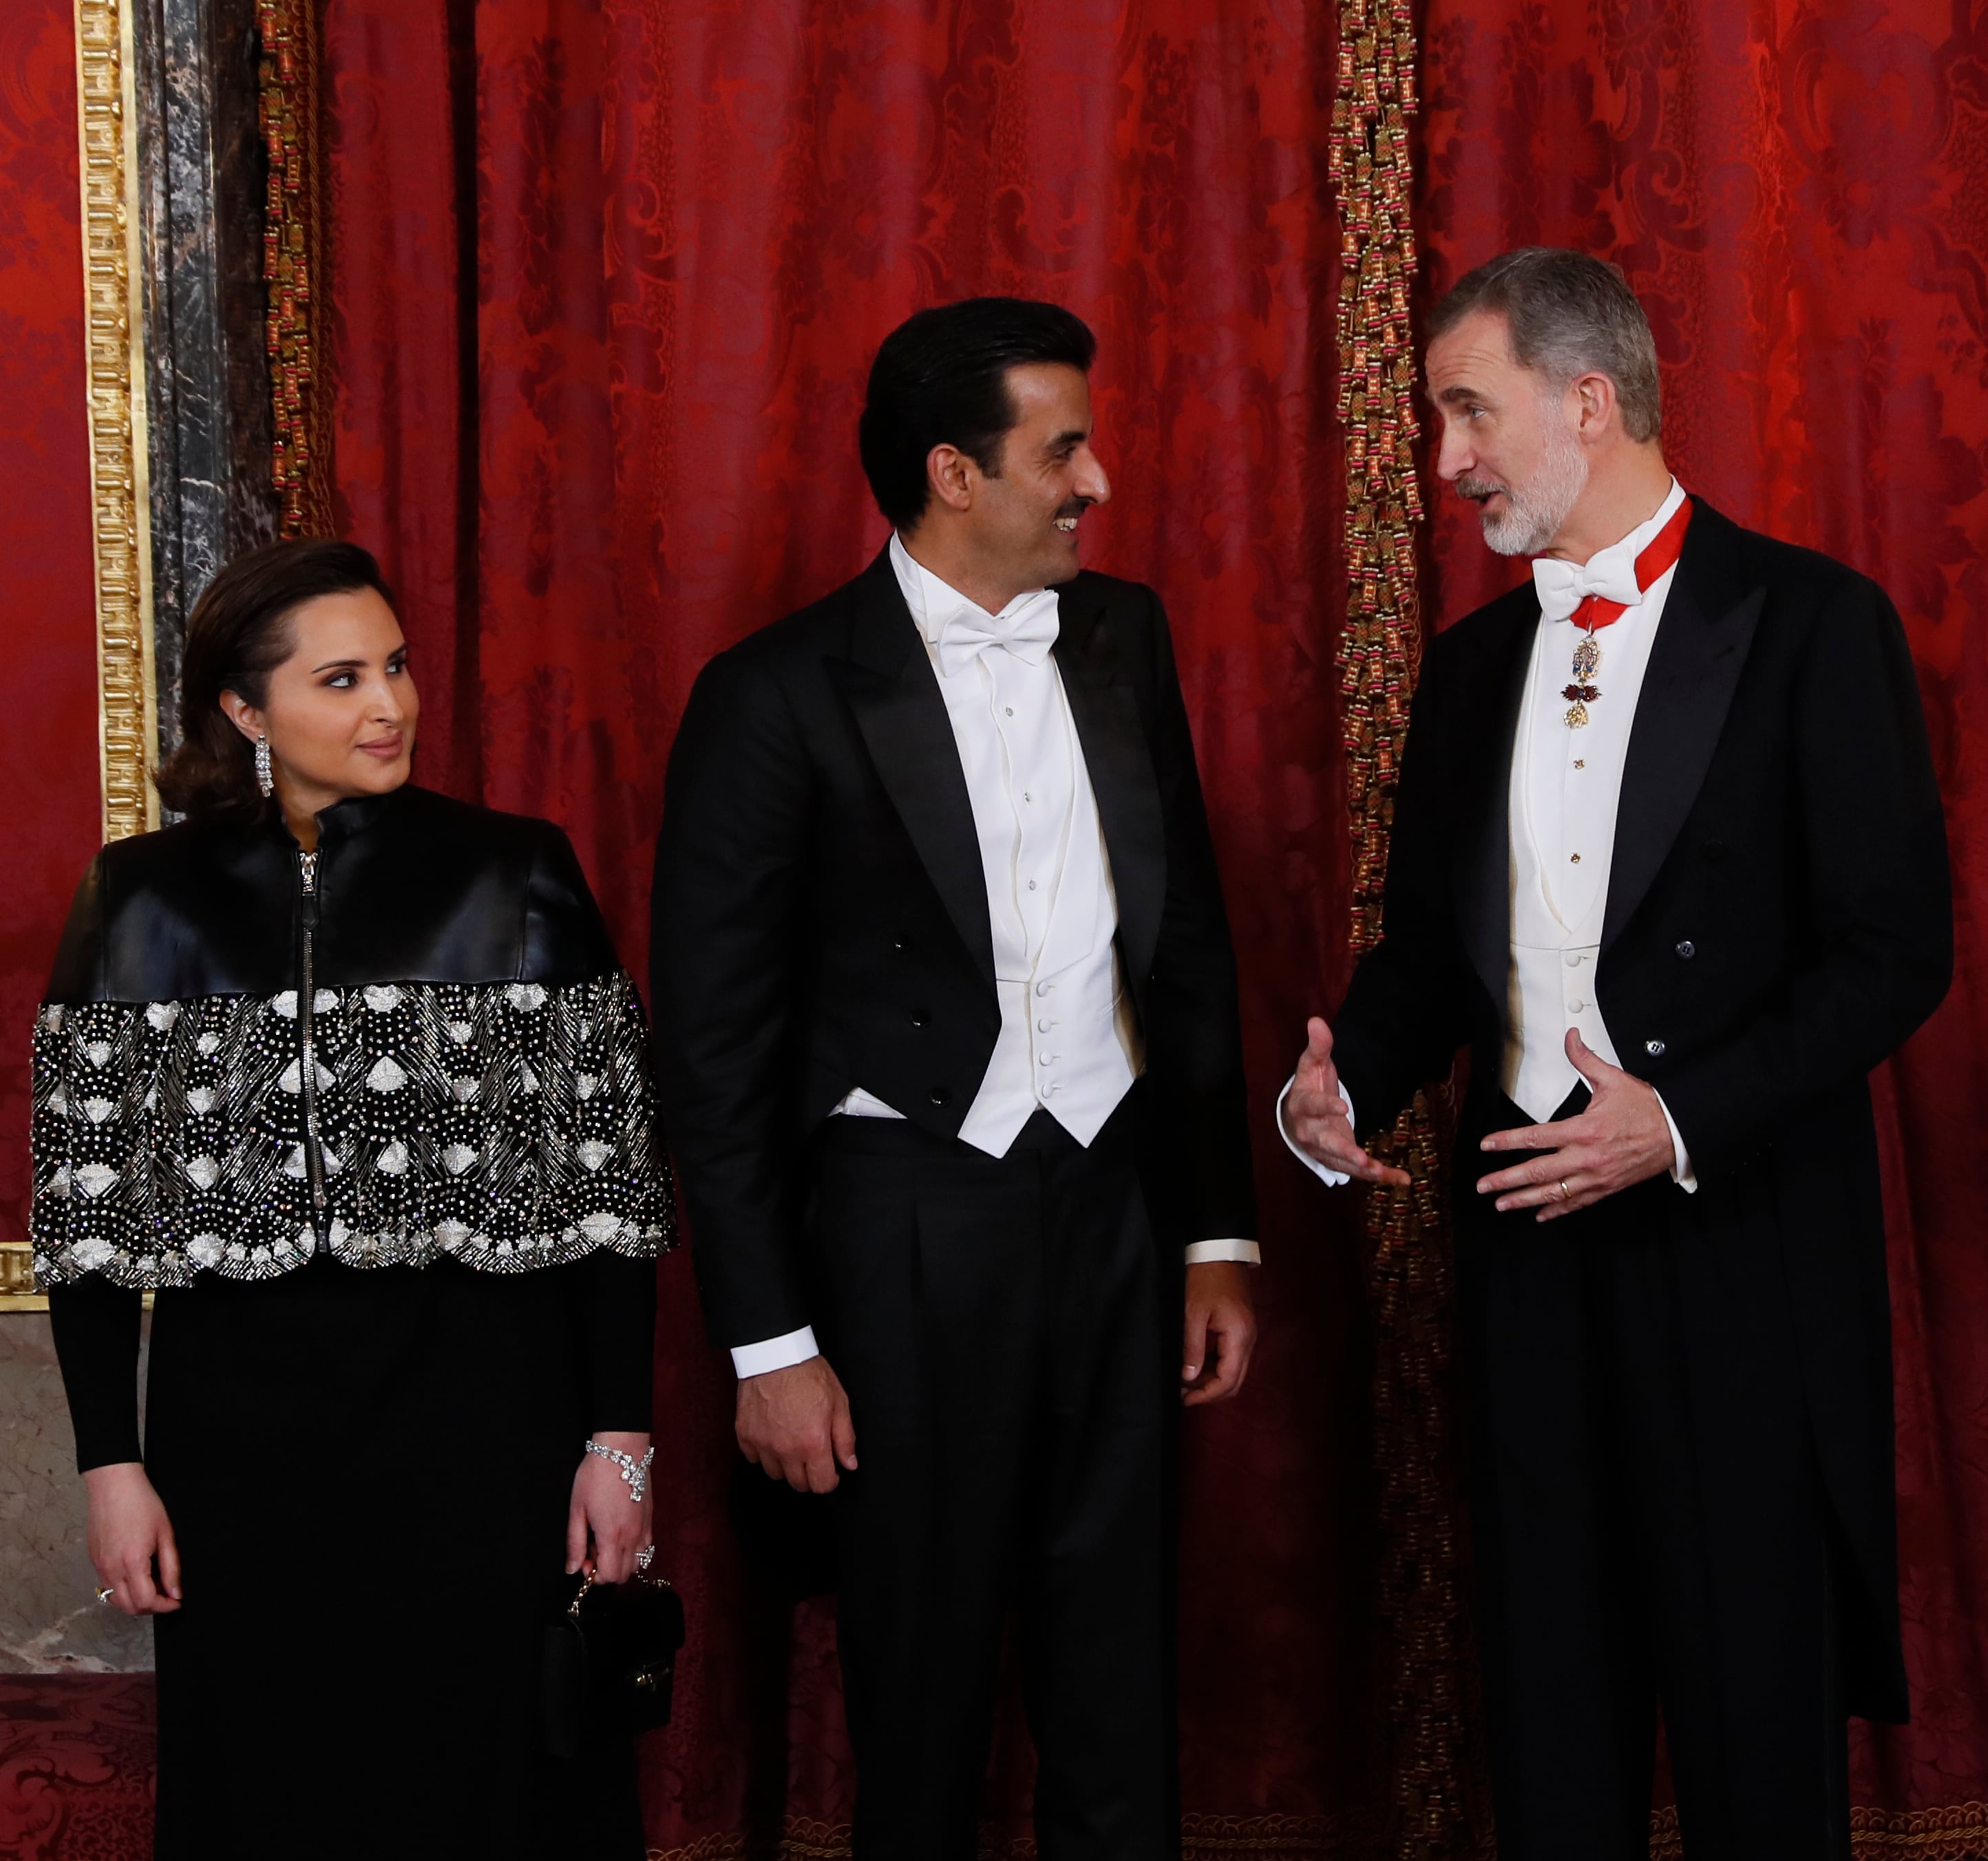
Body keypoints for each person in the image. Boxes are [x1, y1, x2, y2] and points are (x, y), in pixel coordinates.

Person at [1278, 248, 1954, 1858]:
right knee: (1551, 1718)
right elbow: (1435, 956)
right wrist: (1343, 1085)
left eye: (1469, 411)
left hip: (1736, 1258)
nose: (1448, 461)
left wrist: (1683, 1115)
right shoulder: (1466, 668)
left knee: (1751, 1737)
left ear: (1590, 398)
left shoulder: (1808, 623)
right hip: (1524, 1252)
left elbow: (1894, 953)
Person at [649, 297, 1259, 1859]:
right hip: (901, 1224)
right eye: (1062, 449)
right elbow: (712, 1052)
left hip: (1113, 1210)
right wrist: (769, 1340)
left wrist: (1214, 1231)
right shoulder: (775, 693)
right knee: (913, 1688)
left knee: (1118, 1674)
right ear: (950, 472)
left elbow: (1185, 948)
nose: (1097, 479)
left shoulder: (1126, 637)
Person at [34, 538, 673, 1860]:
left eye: (395, 666)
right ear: (245, 710)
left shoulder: (520, 875)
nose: (389, 705)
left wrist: (619, 1442)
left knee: (497, 1792)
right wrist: (112, 1461)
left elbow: (616, 1193)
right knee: (277, 1789)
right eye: (340, 678)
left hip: (487, 1426)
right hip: (243, 1444)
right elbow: (88, 1223)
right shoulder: (140, 900)